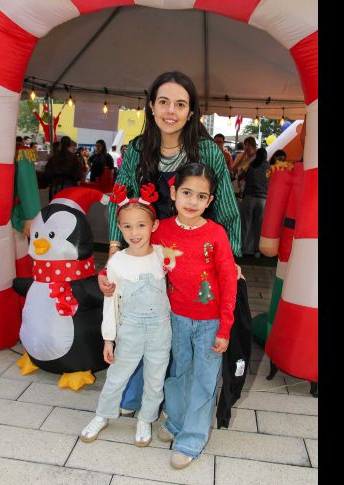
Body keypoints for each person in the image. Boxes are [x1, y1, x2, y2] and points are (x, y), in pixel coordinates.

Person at [101, 70, 243, 469]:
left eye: (180, 103)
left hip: (193, 259)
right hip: (147, 253)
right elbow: (120, 203)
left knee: (181, 341)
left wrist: (233, 265)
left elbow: (227, 210)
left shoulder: (207, 151)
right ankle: (136, 398)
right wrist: (114, 257)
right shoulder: (135, 149)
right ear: (151, 105)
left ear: (191, 110)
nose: (171, 110)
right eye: (164, 101)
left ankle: (177, 418)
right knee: (142, 325)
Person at [152, 162, 237, 469]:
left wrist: (224, 328)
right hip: (175, 317)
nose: (192, 201)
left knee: (203, 379)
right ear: (174, 192)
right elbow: (139, 261)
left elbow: (228, 282)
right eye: (186, 192)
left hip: (210, 321)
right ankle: (175, 421)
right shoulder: (160, 229)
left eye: (201, 197)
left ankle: (191, 439)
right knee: (177, 373)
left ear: (210, 201)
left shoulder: (216, 234)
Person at [79, 184, 171, 448]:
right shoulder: (116, 262)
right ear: (119, 228)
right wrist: (108, 339)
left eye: (141, 225)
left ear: (154, 226)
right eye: (127, 226)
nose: (135, 233)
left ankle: (146, 418)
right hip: (128, 329)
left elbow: (192, 264)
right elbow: (110, 303)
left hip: (160, 331)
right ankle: (102, 415)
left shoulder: (164, 255)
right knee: (117, 376)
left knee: (155, 379)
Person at [239, 147, 270, 257]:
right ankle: (257, 251)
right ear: (266, 156)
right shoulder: (269, 168)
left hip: (249, 198)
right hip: (262, 200)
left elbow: (240, 176)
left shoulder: (251, 165)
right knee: (258, 226)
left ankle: (242, 249)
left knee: (245, 226)